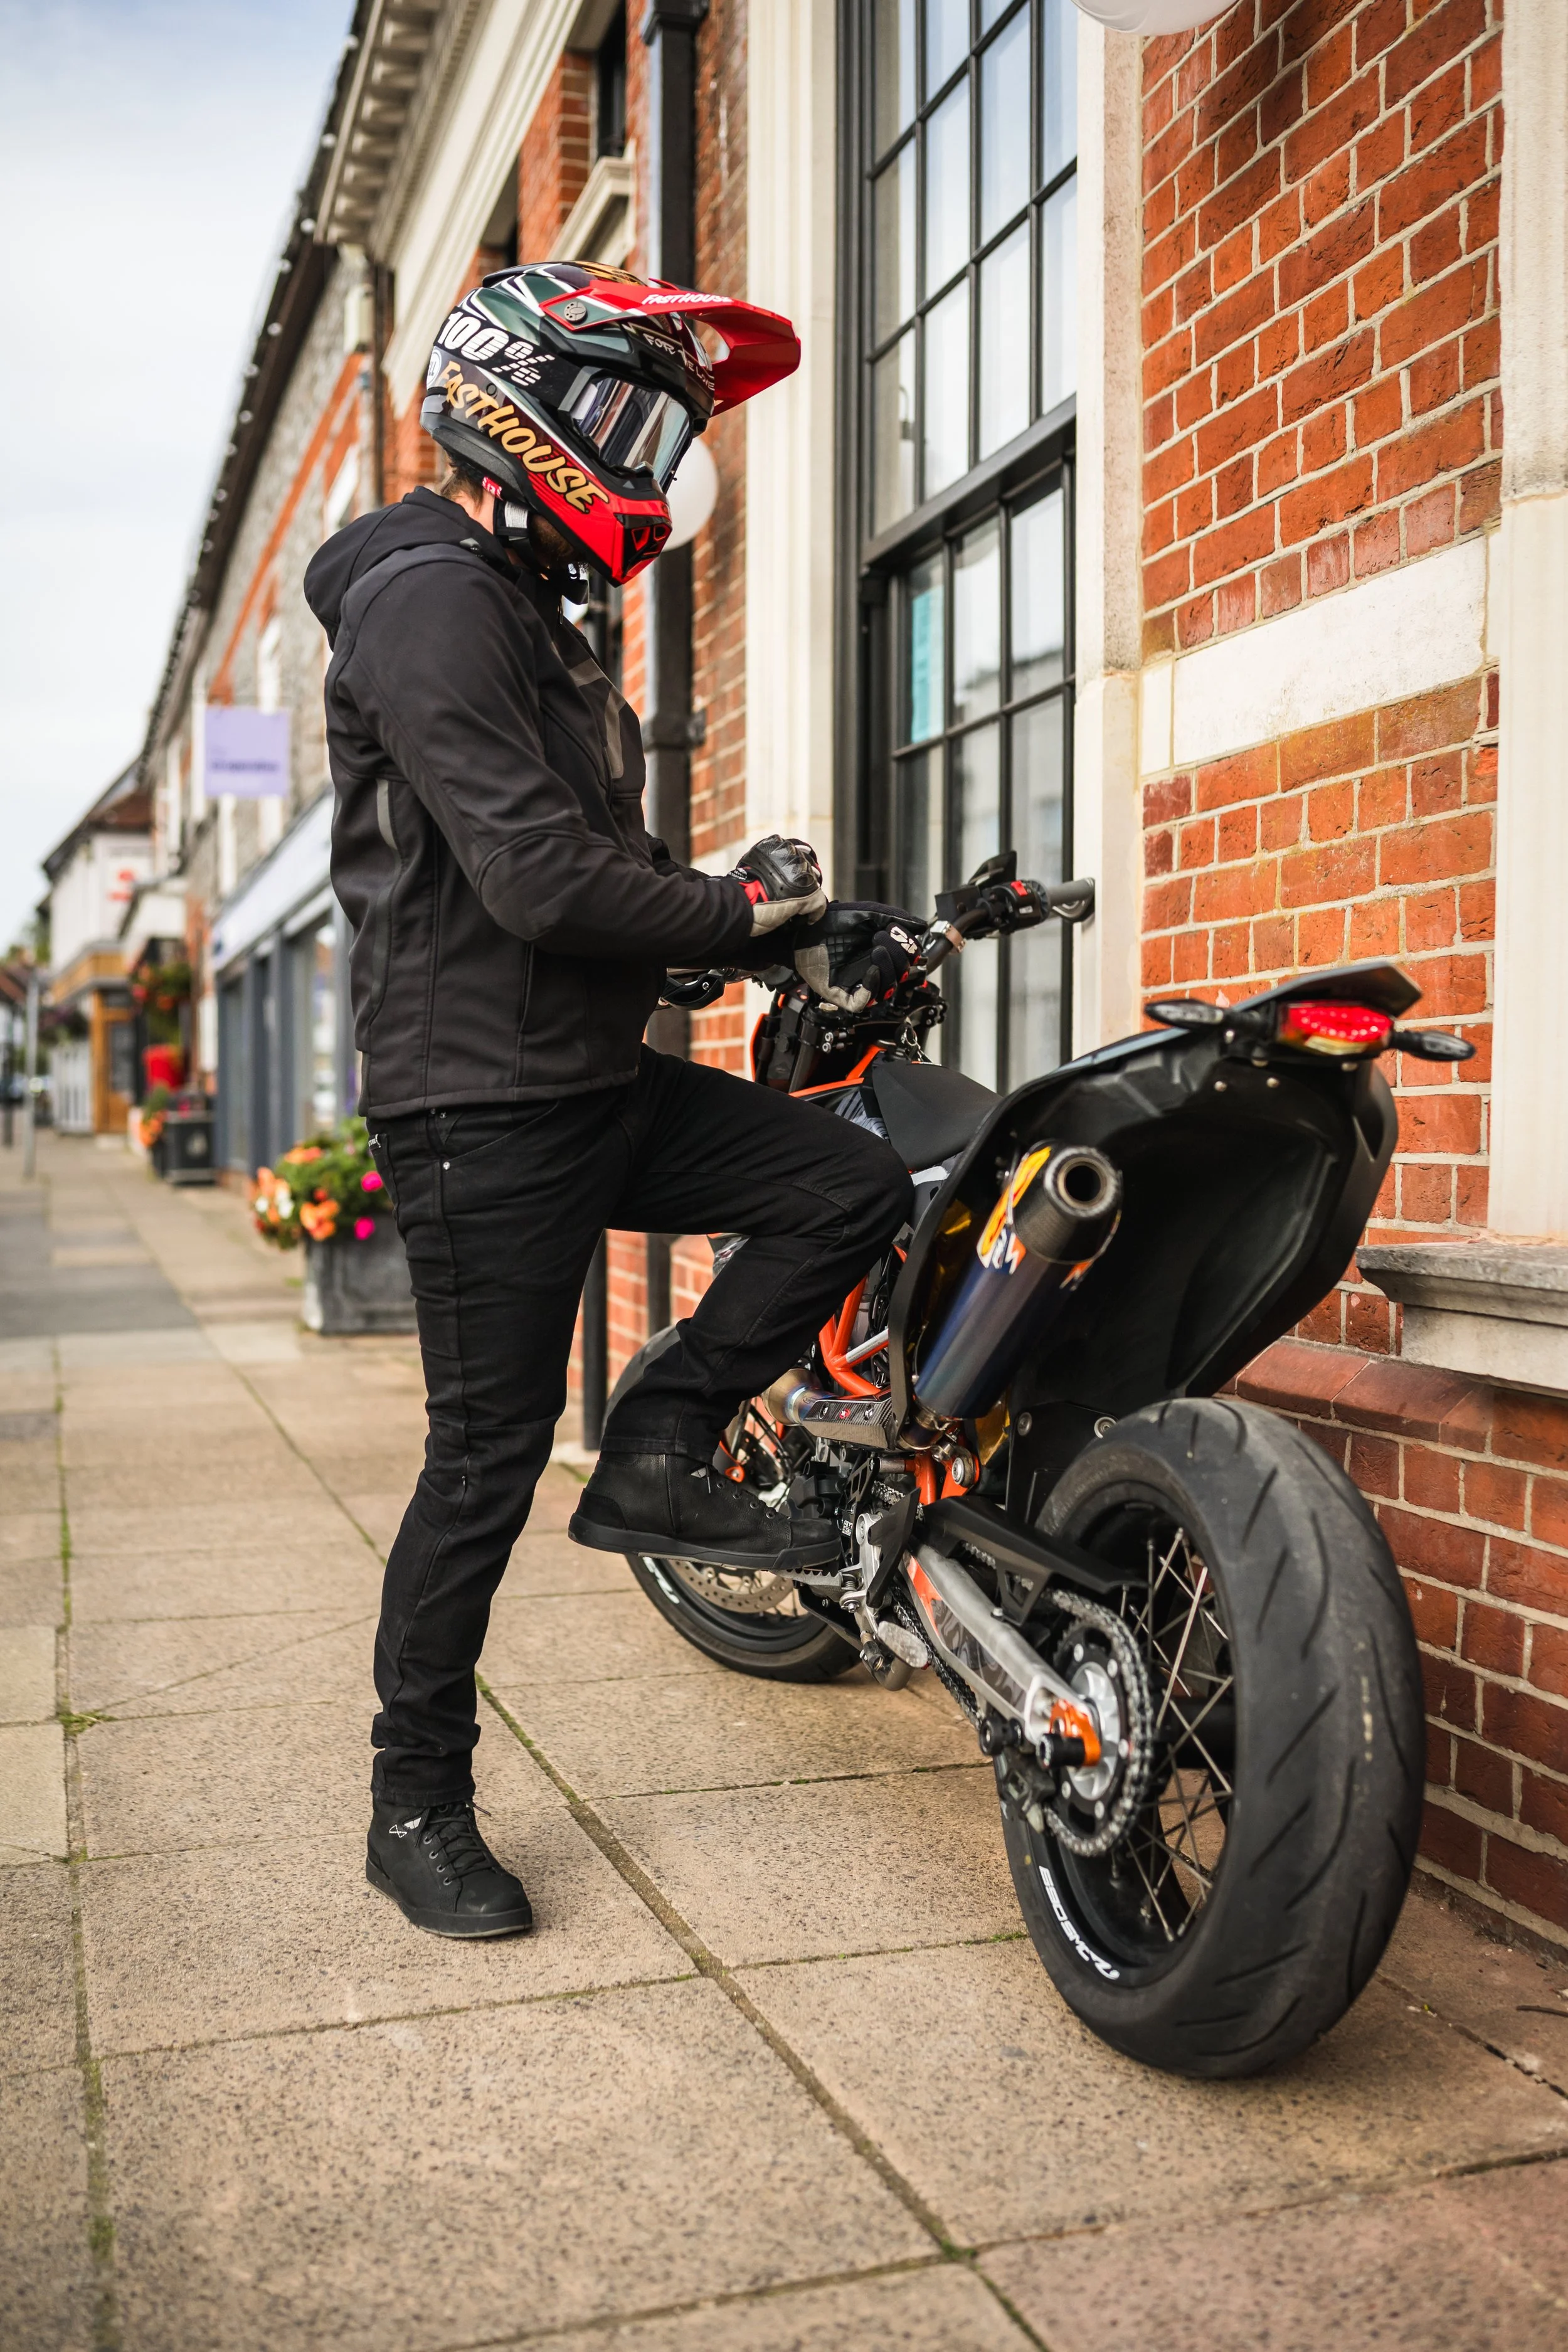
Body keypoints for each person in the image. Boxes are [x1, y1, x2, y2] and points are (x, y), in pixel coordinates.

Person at [303, 261, 912, 1941]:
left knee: (843, 1185)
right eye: (636, 417)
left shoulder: (530, 618)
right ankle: (412, 1798)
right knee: (482, 1461)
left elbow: (612, 885)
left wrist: (747, 918)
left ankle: (652, 1440)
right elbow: (536, 883)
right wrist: (733, 915)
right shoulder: (430, 596)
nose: (656, 459)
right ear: (532, 410)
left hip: (581, 1078)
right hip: (475, 1110)